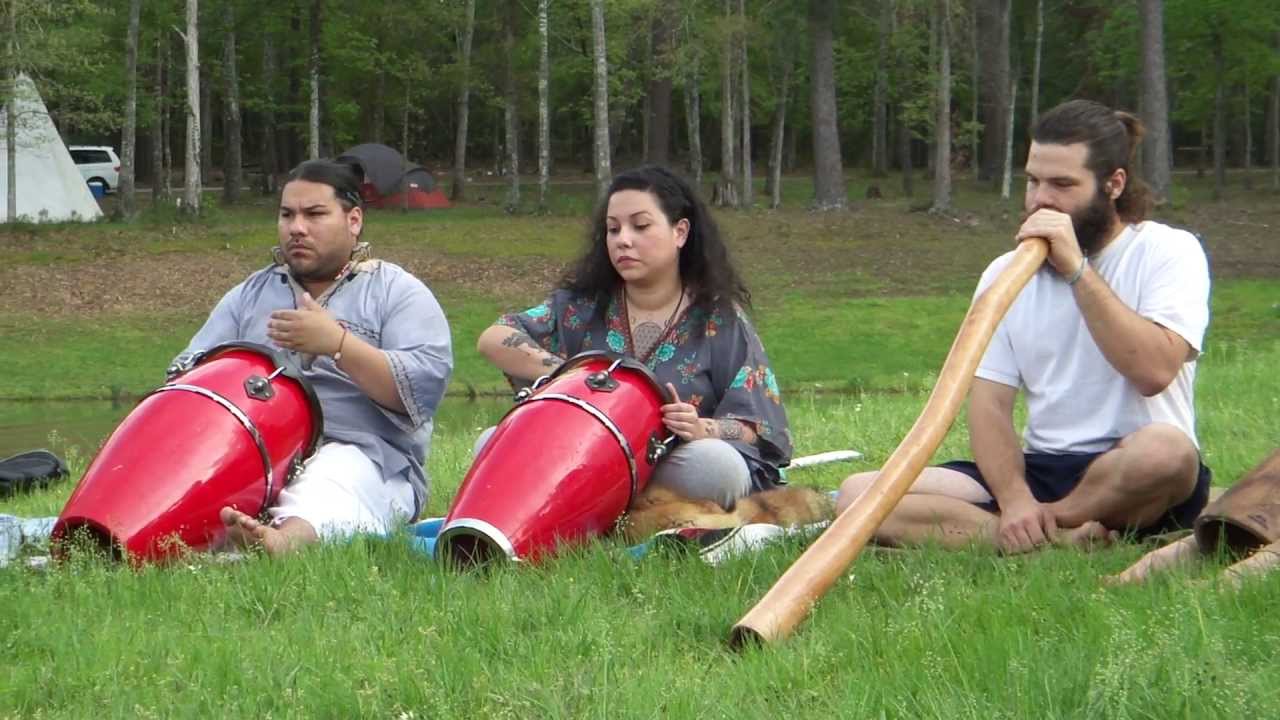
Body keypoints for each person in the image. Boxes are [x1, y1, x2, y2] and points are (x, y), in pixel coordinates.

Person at [836, 99, 1212, 553]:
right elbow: (990, 406)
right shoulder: (1003, 274)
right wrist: (1014, 499)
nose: (1040, 200)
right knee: (858, 493)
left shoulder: (1167, 251)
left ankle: (1046, 526)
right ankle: (1046, 536)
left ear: (1113, 184)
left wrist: (1076, 270)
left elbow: (1154, 372)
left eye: (1062, 185)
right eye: (1032, 182)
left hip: (1131, 468)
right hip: (1040, 469)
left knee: (1166, 453)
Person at [171, 158, 452, 556]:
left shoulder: (397, 292)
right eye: (287, 215)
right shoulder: (251, 294)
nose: (297, 227)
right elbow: (189, 376)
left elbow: (422, 391)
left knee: (333, 472)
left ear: (353, 220)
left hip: (369, 460)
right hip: (256, 456)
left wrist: (338, 343)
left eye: (315, 214)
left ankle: (284, 543)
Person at [476, 165, 792, 509]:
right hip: (581, 461)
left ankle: (595, 513)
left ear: (680, 232)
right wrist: (570, 374)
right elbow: (495, 337)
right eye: (613, 229)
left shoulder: (718, 318)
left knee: (718, 467)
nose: (623, 239)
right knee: (492, 443)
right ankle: (603, 510)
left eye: (640, 226)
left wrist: (704, 428)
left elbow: (755, 427)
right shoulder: (580, 307)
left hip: (670, 467)